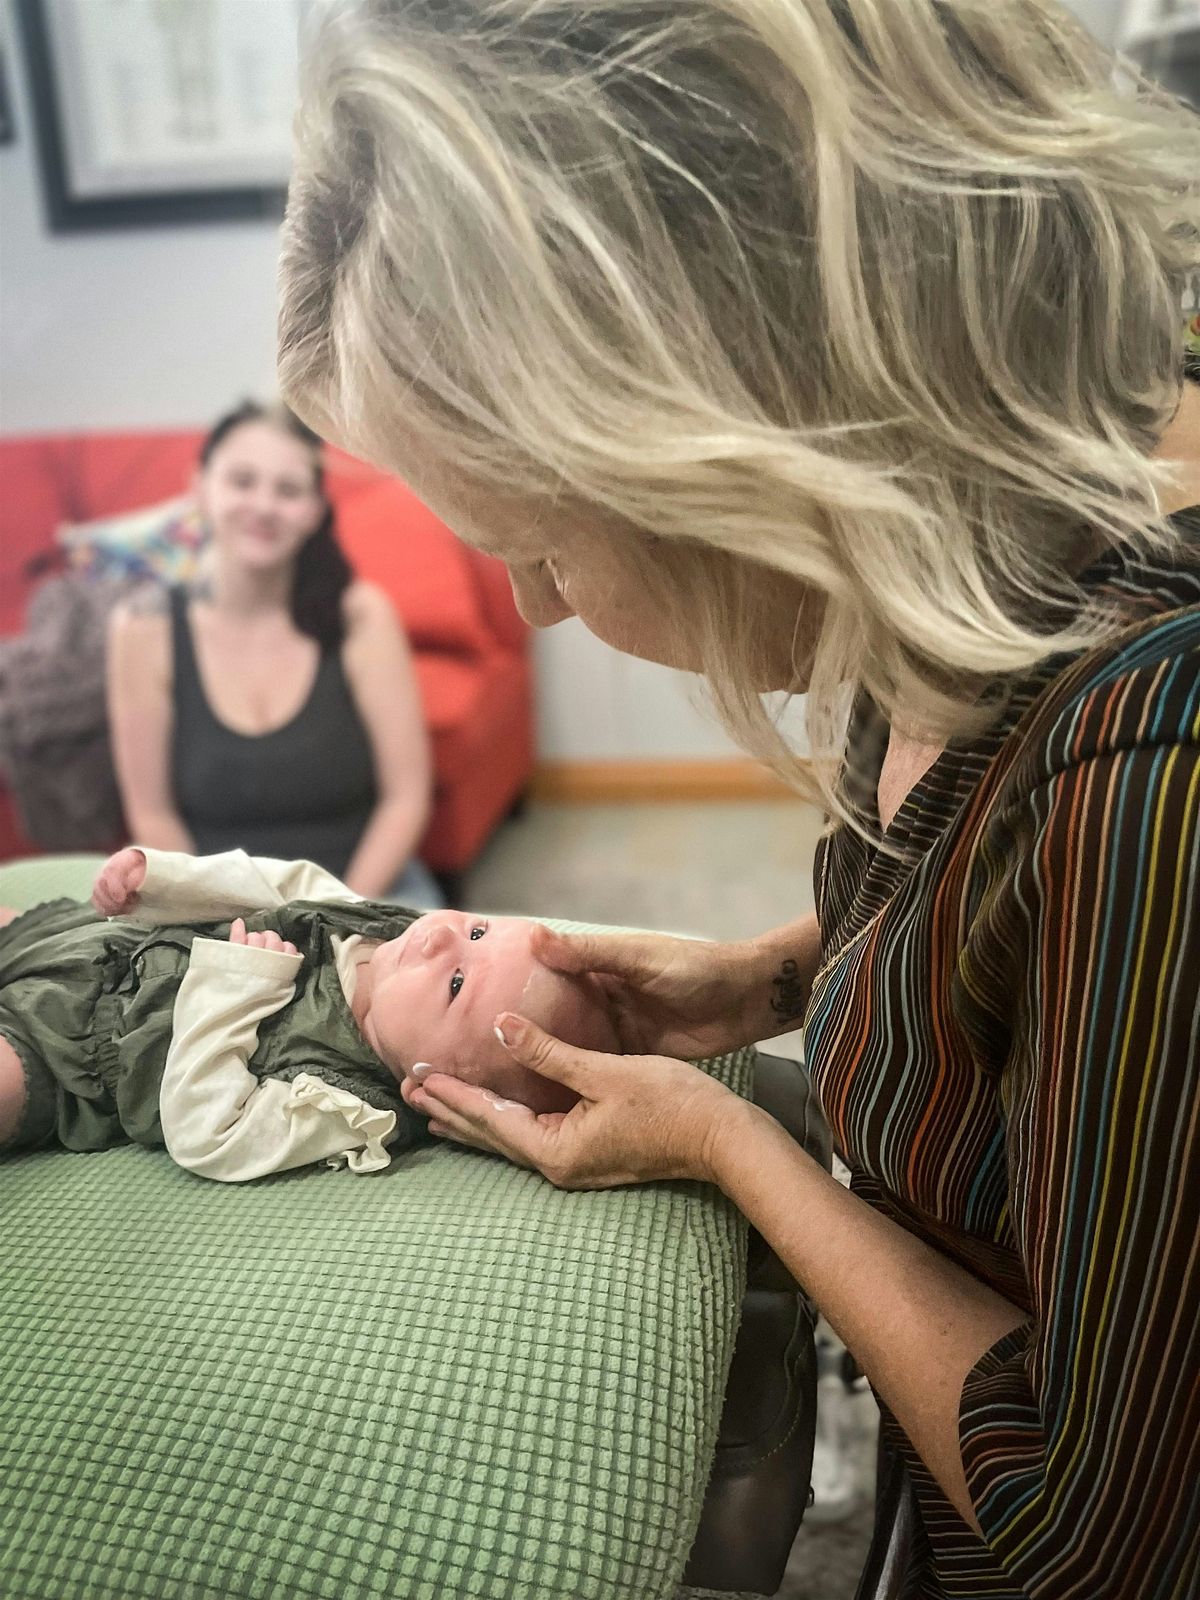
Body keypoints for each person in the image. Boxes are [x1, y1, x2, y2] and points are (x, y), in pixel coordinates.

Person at [275, 3, 1200, 1597]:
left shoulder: (1150, 763)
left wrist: (727, 1144)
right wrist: (769, 978)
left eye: (544, 542)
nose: (536, 611)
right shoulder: (961, 563)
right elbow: (1003, 930)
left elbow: (1091, 1531)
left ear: (756, 420)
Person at [0, 846, 616, 1182]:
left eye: (456, 984)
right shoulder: (379, 926)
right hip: (94, 942)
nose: (439, 936)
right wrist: (160, 878)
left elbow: (207, 1134)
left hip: (75, 1055)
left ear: (438, 1088)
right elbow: (276, 882)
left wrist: (234, 991)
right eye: (478, 932)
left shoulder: (346, 1102)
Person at [107, 401, 442, 907]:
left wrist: (338, 916)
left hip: (363, 898)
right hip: (213, 911)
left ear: (315, 510)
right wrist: (223, 925)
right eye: (242, 481)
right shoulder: (142, 628)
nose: (263, 506)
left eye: (288, 490)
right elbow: (153, 815)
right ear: (200, 487)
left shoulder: (362, 616)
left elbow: (406, 799)